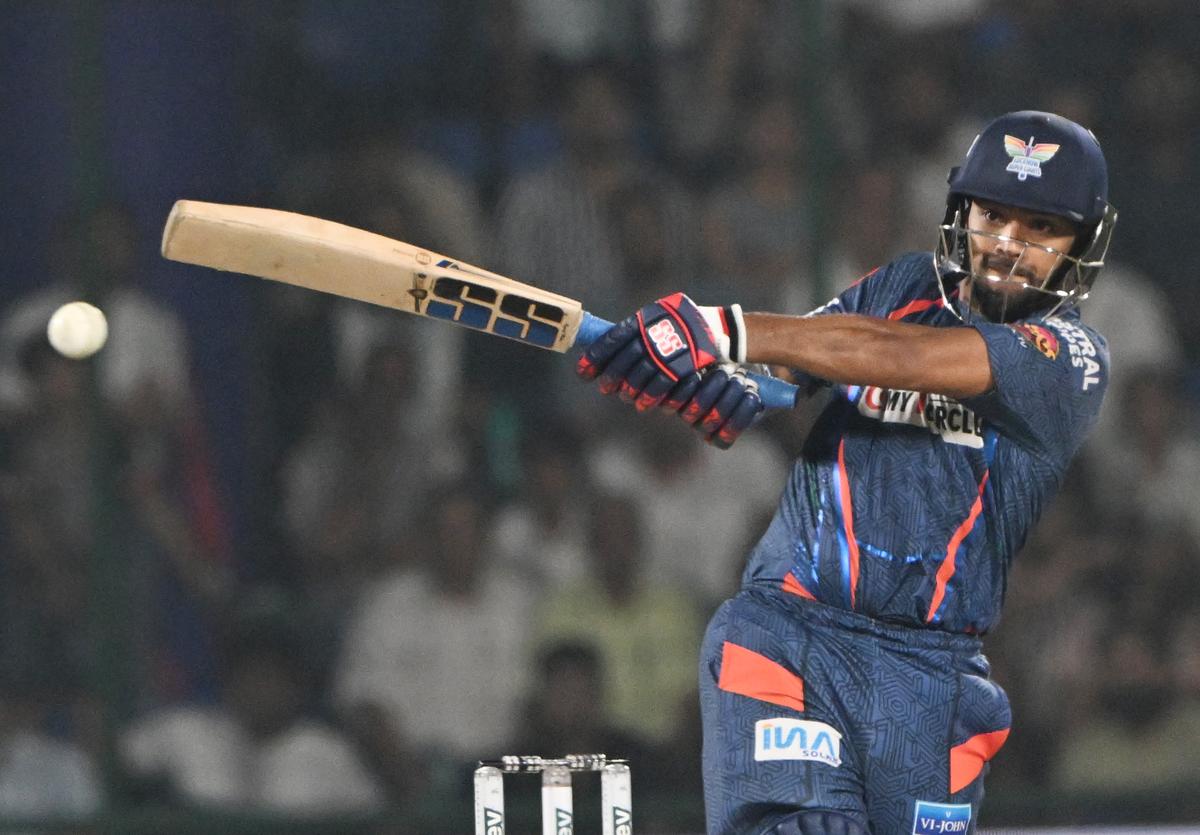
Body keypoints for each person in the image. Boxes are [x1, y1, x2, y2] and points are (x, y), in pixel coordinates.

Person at [576, 110, 1116, 834]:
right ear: (962, 212)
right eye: (994, 216)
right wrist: (720, 377)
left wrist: (718, 329)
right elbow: (795, 364)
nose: (1008, 247)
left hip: (933, 681)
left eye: (1042, 229)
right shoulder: (902, 285)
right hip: (793, 631)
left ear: (1084, 243)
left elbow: (907, 358)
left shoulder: (1072, 359)